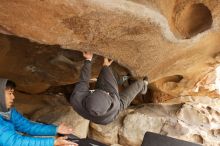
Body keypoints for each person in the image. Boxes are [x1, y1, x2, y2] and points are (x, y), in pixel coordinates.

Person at [70, 52, 148, 125]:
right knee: (138, 84)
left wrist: (88, 60)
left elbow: (84, 80)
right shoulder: (115, 104)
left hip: (96, 108)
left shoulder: (76, 98)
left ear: (91, 94)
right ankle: (143, 87)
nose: (107, 92)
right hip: (109, 115)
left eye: (104, 92)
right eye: (107, 94)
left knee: (105, 81)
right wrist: (105, 66)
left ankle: (123, 79)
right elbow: (110, 83)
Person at [0, 78, 78, 146]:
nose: (13, 97)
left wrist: (55, 130)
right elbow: (14, 142)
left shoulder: (7, 112)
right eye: (10, 93)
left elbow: (28, 126)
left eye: (13, 93)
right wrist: (52, 142)